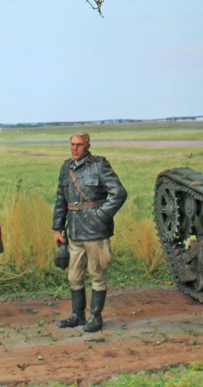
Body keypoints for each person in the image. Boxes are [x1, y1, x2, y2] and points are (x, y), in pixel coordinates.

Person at [52, 131, 127, 333]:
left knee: (97, 274)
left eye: (79, 144)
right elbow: (61, 200)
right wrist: (58, 228)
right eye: (72, 144)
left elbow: (118, 193)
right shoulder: (66, 167)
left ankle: (95, 316)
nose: (74, 148)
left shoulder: (99, 165)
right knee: (74, 276)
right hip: (75, 231)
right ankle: (77, 315)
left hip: (95, 232)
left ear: (87, 146)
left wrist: (101, 215)